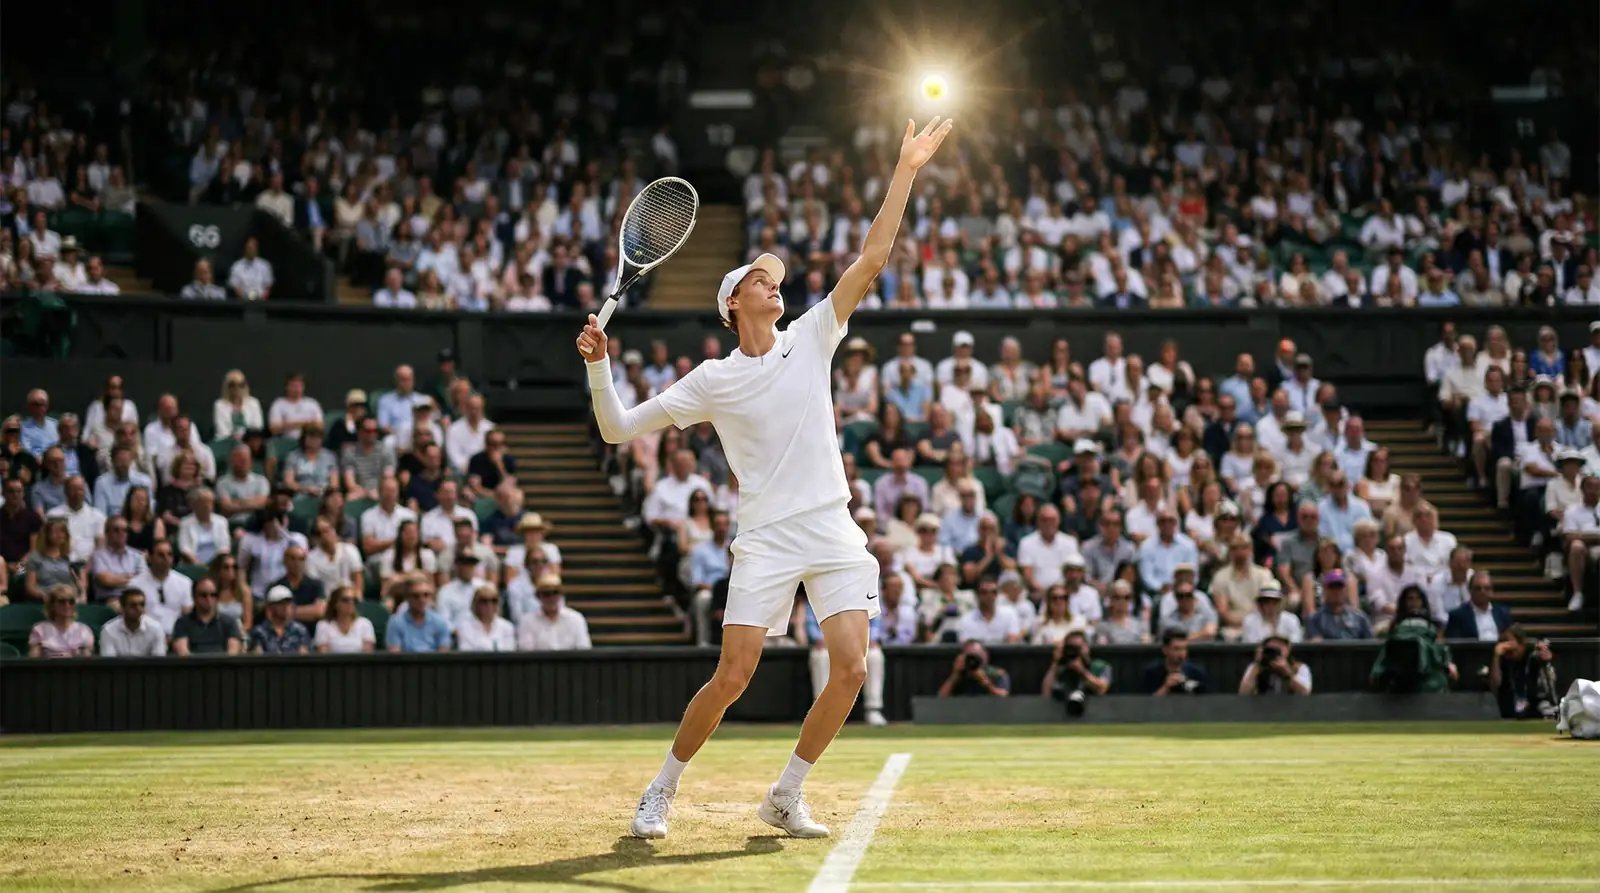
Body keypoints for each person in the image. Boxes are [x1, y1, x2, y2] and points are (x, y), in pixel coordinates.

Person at [579, 115, 952, 840]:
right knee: (734, 675)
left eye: (775, 280)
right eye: (758, 280)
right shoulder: (712, 380)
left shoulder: (812, 334)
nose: (773, 286)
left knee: (850, 668)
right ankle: (661, 789)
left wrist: (905, 168)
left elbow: (873, 257)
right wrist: (599, 365)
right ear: (732, 304)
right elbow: (617, 428)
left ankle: (785, 793)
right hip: (767, 537)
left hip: (832, 523)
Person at [1042, 630, 1111, 706]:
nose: (1074, 651)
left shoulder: (1099, 666)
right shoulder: (1061, 668)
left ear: (1086, 647)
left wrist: (1082, 671)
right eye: (1070, 647)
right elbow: (1046, 692)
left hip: (1093, 707)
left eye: (1077, 647)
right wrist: (1056, 662)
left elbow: (1102, 688)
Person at [28, 586, 94, 658]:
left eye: (71, 602)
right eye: (62, 602)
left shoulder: (84, 630)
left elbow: (87, 661)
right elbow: (33, 661)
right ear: (52, 605)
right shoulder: (39, 630)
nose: (67, 605)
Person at [1238, 636, 1313, 694]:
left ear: (1288, 650)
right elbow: (1243, 693)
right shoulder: (1255, 667)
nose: (1275, 650)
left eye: (1279, 647)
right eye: (1271, 648)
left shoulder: (1299, 667)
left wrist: (1287, 675)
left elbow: (1305, 693)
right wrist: (1257, 666)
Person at [1142, 629, 1208, 695]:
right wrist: (1166, 687)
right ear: (1165, 650)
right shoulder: (1151, 673)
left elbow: (1206, 700)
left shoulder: (1196, 673)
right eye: (1176, 649)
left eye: (1184, 648)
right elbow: (1146, 703)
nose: (1181, 653)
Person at [936, 640, 1011, 697]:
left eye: (978, 654)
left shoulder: (996, 674)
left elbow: (1004, 697)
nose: (974, 660)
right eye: (970, 655)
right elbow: (941, 698)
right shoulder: (960, 674)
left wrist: (985, 682)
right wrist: (955, 675)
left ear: (986, 655)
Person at [249, 585, 310, 654]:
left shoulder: (300, 631)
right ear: (270, 607)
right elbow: (257, 657)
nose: (285, 607)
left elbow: (304, 656)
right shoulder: (259, 632)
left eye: (288, 603)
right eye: (281, 603)